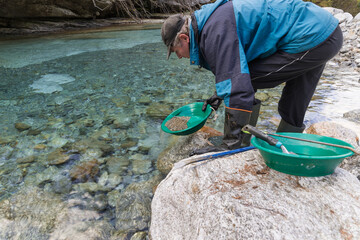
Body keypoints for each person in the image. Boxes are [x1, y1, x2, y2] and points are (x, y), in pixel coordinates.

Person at [161, 0, 343, 154]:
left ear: (184, 38)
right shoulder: (211, 23)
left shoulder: (215, 32)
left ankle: (236, 144)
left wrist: (228, 145)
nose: (178, 56)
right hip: (323, 29)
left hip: (311, 35)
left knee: (245, 81)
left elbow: (239, 85)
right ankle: (287, 146)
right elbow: (237, 65)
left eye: (176, 51)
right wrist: (219, 95)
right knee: (296, 95)